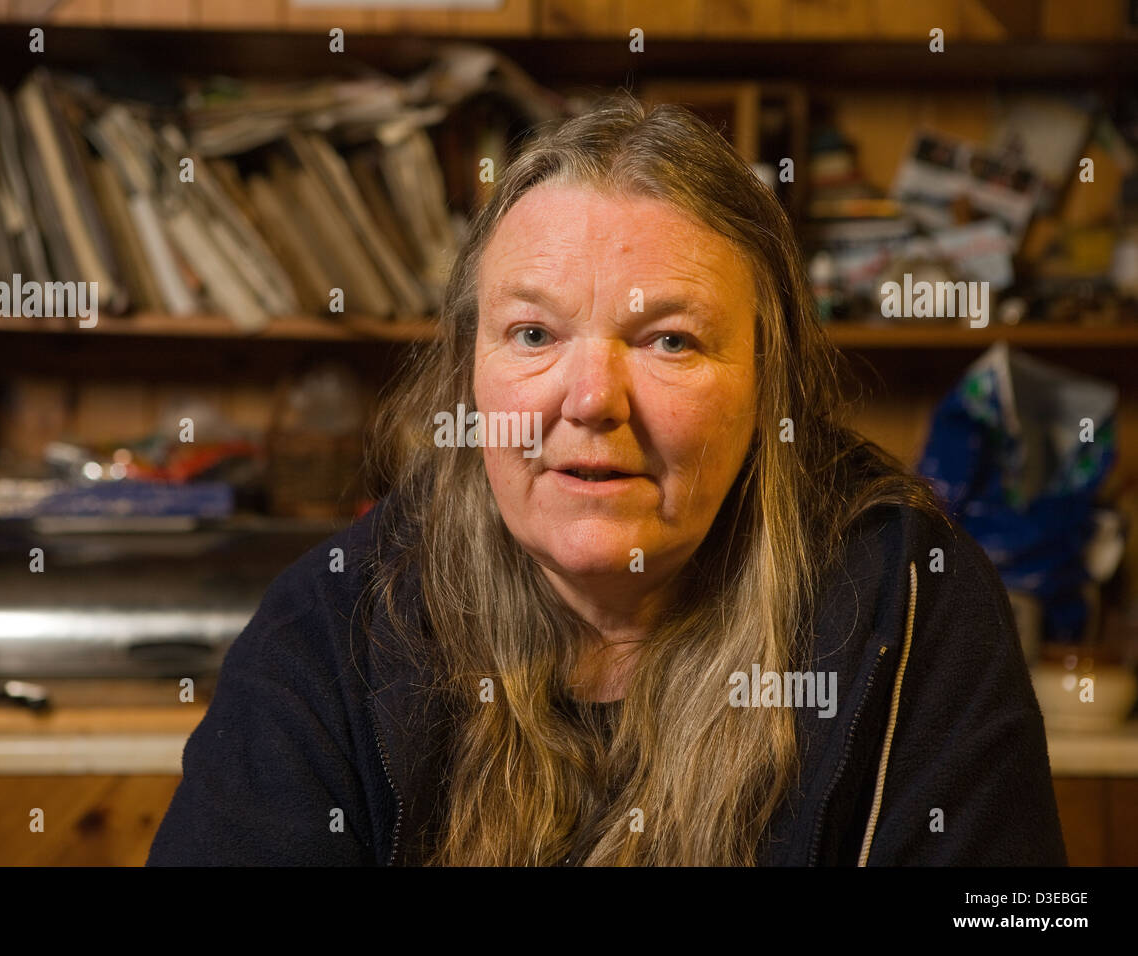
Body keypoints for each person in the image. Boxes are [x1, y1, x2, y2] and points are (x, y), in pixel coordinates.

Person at [148, 94, 1067, 866]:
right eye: (534, 334)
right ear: (469, 371)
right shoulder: (334, 624)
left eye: (671, 340)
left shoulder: (910, 606)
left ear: (768, 385)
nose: (591, 400)